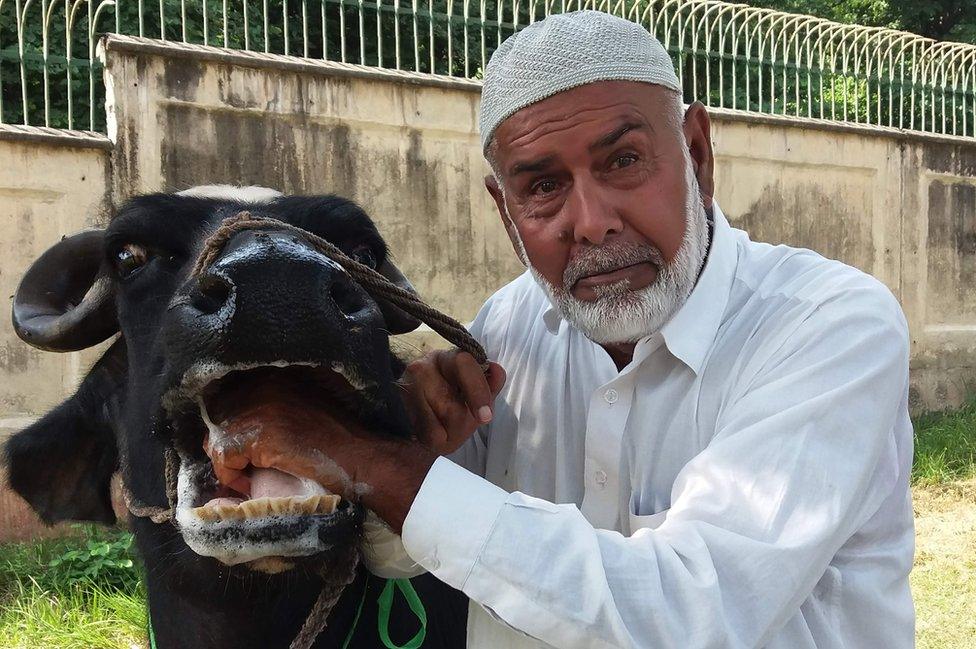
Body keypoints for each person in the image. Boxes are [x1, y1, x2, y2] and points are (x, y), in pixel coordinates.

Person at [300, 10, 915, 648]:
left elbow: (691, 613)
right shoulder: (509, 329)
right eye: (542, 186)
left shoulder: (827, 326)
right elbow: (404, 558)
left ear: (697, 154)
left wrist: (372, 459)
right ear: (507, 213)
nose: (591, 223)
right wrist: (417, 447)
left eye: (623, 160)